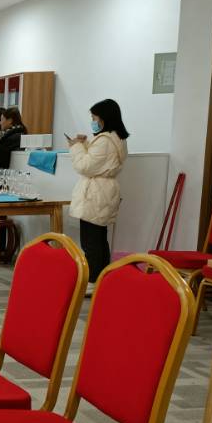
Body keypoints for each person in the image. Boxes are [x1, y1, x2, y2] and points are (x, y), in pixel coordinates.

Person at [67, 99, 129, 291]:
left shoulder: (105, 141)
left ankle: (93, 281)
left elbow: (85, 166)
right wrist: (85, 143)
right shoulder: (116, 137)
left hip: (96, 194)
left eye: (94, 118)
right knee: (99, 239)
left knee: (91, 241)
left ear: (104, 118)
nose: (92, 121)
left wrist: (75, 146)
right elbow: (99, 161)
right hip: (103, 192)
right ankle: (101, 279)